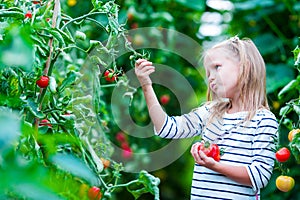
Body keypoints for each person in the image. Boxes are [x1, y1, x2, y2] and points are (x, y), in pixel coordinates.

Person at [134, 36, 278, 200]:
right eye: (208, 72)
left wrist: (215, 166)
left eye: (217, 67)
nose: (210, 77)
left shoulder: (263, 120)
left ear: (245, 66)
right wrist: (146, 85)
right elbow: (167, 128)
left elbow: (259, 176)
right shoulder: (210, 113)